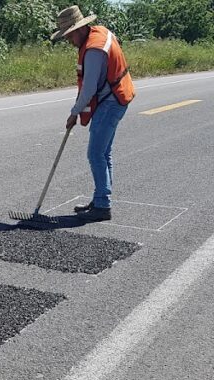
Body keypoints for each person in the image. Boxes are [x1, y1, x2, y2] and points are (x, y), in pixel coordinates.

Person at [51, 5, 135, 221]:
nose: (69, 40)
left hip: (111, 102)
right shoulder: (99, 33)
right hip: (116, 97)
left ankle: (102, 205)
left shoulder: (94, 51)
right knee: (103, 152)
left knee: (95, 154)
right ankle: (101, 197)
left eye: (69, 35)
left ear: (80, 29)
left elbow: (88, 88)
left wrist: (74, 113)